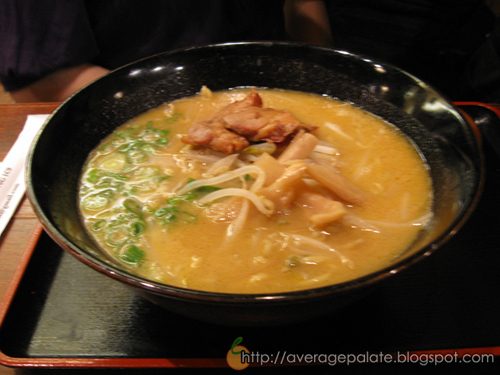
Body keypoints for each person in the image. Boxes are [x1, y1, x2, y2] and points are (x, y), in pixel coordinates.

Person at [0, 0, 332, 103]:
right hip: (142, 111)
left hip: (288, 94)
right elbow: (43, 83)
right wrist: (207, 116)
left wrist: (320, 78)